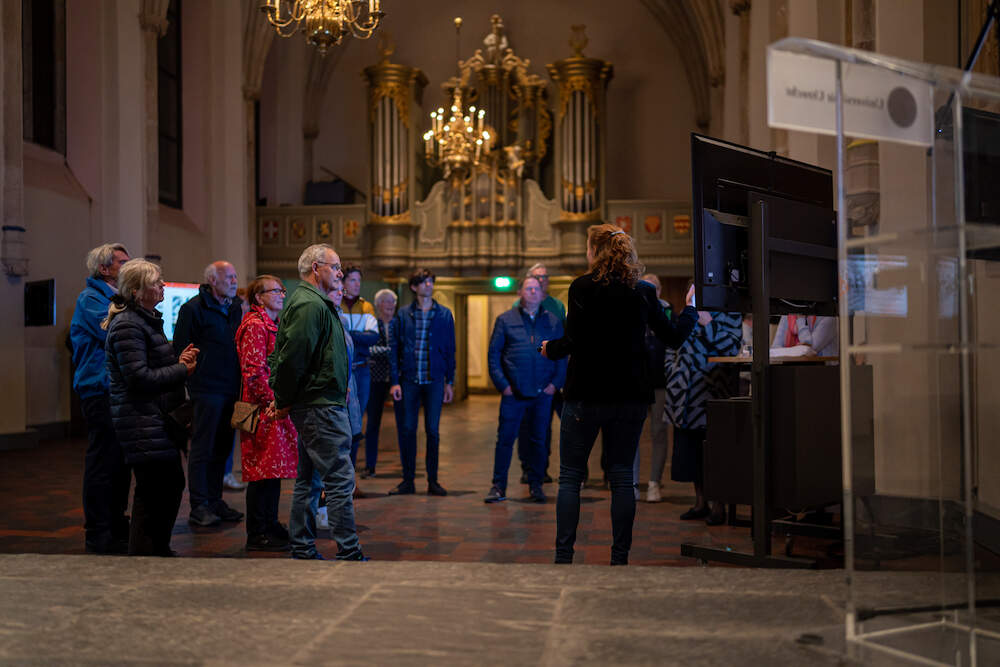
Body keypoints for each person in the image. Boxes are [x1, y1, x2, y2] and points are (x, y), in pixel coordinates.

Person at [541, 224, 697, 566]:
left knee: (570, 476)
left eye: (587, 247)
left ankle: (564, 558)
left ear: (596, 251)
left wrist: (548, 349)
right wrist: (692, 309)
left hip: (586, 394)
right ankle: (619, 558)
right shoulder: (643, 291)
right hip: (630, 397)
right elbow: (673, 337)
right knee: (623, 476)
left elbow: (572, 342)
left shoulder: (582, 287)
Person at [267, 244, 365, 561]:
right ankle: (349, 551)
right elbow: (292, 360)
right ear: (315, 268)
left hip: (320, 402)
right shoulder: (310, 305)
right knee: (339, 479)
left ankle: (302, 546)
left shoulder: (317, 303)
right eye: (335, 267)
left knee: (309, 480)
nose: (340, 273)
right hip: (319, 406)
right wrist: (281, 399)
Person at [103, 259, 199, 556]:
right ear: (136, 290)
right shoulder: (128, 325)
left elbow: (150, 368)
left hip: (153, 418)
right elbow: (138, 378)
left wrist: (176, 362)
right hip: (141, 420)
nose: (163, 286)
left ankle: (156, 550)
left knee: (166, 487)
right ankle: (146, 556)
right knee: (155, 490)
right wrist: (181, 369)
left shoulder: (143, 320)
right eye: (156, 282)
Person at [70, 242, 132, 554]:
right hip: (100, 389)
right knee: (103, 463)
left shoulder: (119, 299)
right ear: (104, 269)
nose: (128, 266)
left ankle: (116, 523)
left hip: (120, 391)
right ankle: (97, 530)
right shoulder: (91, 298)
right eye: (122, 262)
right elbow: (114, 331)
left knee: (121, 464)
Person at [173, 261, 245, 527]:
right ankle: (199, 504)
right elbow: (181, 349)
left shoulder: (237, 307)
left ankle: (215, 500)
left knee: (223, 448)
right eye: (229, 277)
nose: (235, 281)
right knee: (203, 448)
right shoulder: (193, 309)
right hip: (206, 389)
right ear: (213, 281)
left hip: (231, 388)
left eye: (236, 276)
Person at [665, 284, 743, 526]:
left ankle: (719, 505)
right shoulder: (689, 311)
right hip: (683, 394)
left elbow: (731, 348)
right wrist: (670, 369)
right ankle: (700, 502)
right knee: (689, 454)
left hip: (710, 391)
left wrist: (708, 323)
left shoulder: (730, 312)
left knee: (713, 454)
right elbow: (672, 341)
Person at [485, 276, 566, 504]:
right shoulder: (505, 320)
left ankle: (536, 485)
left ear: (542, 294)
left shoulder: (552, 321)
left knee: (539, 440)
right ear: (519, 292)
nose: (532, 292)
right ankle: (498, 486)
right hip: (514, 394)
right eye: (528, 288)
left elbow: (561, 355)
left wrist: (555, 384)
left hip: (543, 393)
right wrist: (503, 385)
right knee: (505, 440)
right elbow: (494, 356)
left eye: (536, 289)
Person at [235, 275, 298, 552]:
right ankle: (257, 532)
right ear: (259, 298)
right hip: (261, 410)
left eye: (283, 290)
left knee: (272, 471)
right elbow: (254, 372)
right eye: (276, 291)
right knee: (261, 472)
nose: (282, 295)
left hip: (271, 408)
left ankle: (270, 524)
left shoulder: (270, 324)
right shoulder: (255, 326)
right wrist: (273, 401)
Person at [388, 268, 456, 497]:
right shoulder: (403, 314)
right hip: (409, 380)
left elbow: (450, 350)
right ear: (414, 287)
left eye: (431, 281)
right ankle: (407, 481)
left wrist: (450, 381)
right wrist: (394, 381)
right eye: (424, 282)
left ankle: (433, 481)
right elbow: (394, 348)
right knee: (407, 430)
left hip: (435, 380)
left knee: (433, 431)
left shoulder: (444, 314)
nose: (429, 285)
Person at [515, 263, 566, 483]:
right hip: (526, 377)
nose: (541, 281)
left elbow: (562, 342)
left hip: (549, 376)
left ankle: (542, 467)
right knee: (525, 426)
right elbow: (523, 343)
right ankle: (527, 467)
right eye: (537, 277)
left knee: (545, 427)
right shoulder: (519, 307)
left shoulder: (556, 306)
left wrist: (557, 378)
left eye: (544, 277)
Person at [340, 266, 379, 467]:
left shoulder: (366, 307)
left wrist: (348, 334)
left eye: (359, 280)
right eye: (353, 280)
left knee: (356, 423)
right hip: (341, 371)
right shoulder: (335, 303)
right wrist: (358, 336)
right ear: (343, 282)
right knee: (340, 424)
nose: (357, 284)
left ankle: (351, 478)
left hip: (362, 369)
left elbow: (373, 337)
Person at [641, 273, 673, 503]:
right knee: (629, 431)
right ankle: (630, 482)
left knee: (658, 432)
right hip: (637, 382)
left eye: (654, 289)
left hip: (661, 383)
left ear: (659, 292)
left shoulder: (669, 314)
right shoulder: (633, 312)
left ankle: (654, 482)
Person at [362, 288, 398, 478]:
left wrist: (385, 351)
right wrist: (388, 351)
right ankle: (370, 466)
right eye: (386, 301)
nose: (390, 305)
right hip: (375, 378)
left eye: (392, 301)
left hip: (395, 379)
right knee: (372, 424)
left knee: (404, 424)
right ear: (378, 305)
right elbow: (367, 349)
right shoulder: (371, 323)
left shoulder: (399, 324)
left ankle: (406, 468)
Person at [771, 315, 838, 357]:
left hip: (825, 369)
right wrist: (798, 349)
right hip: (792, 367)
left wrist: (800, 320)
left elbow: (810, 350)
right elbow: (775, 347)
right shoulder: (787, 316)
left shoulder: (828, 317)